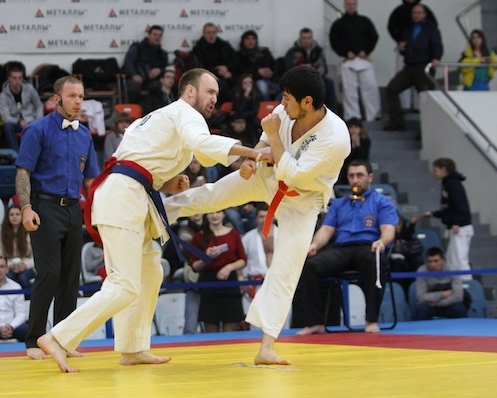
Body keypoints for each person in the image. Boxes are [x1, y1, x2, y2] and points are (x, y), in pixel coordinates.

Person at [36, 68, 270, 372]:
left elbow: (137, 161)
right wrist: (252, 152)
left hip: (130, 193)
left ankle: (132, 347)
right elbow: (203, 144)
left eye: (217, 93)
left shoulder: (157, 118)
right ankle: (58, 337)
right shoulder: (185, 114)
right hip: (123, 198)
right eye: (210, 92)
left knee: (150, 271)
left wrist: (167, 182)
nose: (215, 98)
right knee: (124, 284)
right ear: (190, 91)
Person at [163, 65, 350, 364]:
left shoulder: (336, 137)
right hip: (267, 177)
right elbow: (264, 143)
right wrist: (252, 158)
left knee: (286, 269)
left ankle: (266, 348)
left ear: (307, 102)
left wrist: (273, 136)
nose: (281, 103)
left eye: (287, 98)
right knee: (211, 195)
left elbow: (293, 174)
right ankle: (157, 212)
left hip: (301, 202)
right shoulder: (285, 111)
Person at [15, 75, 100, 360]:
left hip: (73, 208)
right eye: (72, 96)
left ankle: (63, 340)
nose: (78, 101)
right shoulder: (37, 129)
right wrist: (26, 208)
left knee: (70, 278)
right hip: (45, 206)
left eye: (81, 96)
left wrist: (99, 211)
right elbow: (23, 172)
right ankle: (33, 339)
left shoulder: (84, 135)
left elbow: (90, 181)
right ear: (57, 99)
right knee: (49, 273)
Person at [294, 159, 398, 335]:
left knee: (376, 261)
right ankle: (315, 322)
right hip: (342, 250)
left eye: (360, 175)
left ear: (370, 177)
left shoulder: (382, 202)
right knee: (310, 266)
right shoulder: (339, 204)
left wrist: (382, 241)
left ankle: (371, 320)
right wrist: (314, 245)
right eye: (351, 176)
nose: (355, 180)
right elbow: (326, 230)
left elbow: (388, 229)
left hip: (368, 247)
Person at [384, 3, 443, 131]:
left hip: (424, 67)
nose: (416, 15)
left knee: (426, 98)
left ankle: (426, 129)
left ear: (424, 14)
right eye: (414, 13)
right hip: (409, 66)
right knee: (391, 89)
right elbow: (406, 46)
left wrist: (436, 58)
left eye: (418, 13)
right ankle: (397, 122)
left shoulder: (431, 28)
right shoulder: (409, 28)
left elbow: (436, 44)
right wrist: (402, 48)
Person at [190, 210, 246, 332]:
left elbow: (243, 260)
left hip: (230, 283)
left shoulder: (233, 234)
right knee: (211, 334)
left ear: (223, 214)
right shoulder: (199, 237)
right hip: (209, 285)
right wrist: (207, 258)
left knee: (230, 332)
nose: (215, 216)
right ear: (206, 215)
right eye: (211, 212)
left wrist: (229, 267)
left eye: (218, 212)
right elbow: (194, 266)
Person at [329, 0, 380, 122]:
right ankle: (352, 117)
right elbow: (334, 41)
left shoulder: (365, 21)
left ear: (356, 5)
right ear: (344, 5)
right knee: (349, 91)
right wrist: (345, 53)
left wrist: (366, 51)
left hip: (364, 59)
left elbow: (374, 37)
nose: (351, 6)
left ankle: (373, 115)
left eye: (353, 4)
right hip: (348, 60)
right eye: (348, 4)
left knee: (370, 87)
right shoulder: (338, 24)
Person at [422, 158, 473, 280]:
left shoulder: (452, 185)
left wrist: (456, 222)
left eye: (435, 170)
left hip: (460, 228)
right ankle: (457, 285)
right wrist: (434, 214)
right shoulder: (447, 184)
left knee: (459, 259)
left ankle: (467, 284)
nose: (434, 173)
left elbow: (461, 206)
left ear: (443, 169)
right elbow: (449, 208)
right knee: (452, 260)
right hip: (454, 226)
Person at [284, 27, 338, 113]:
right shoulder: (293, 52)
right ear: (300, 38)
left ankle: (333, 112)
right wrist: (302, 69)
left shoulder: (318, 51)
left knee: (329, 82)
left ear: (312, 38)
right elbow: (288, 68)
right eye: (304, 38)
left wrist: (312, 71)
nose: (306, 41)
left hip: (317, 78)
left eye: (309, 38)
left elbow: (324, 68)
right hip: (299, 80)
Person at [413, 246, 468, 320]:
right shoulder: (421, 271)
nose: (433, 264)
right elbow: (421, 297)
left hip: (449, 303)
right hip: (430, 305)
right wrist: (443, 294)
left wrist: (438, 304)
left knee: (459, 309)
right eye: (430, 261)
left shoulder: (453, 270)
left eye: (436, 261)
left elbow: (458, 296)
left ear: (443, 260)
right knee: (422, 309)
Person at [0, 62, 44, 151]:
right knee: (7, 126)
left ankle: (36, 153)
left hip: (31, 121)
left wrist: (38, 120)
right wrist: (19, 122)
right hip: (15, 123)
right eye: (14, 78)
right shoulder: (3, 96)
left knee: (40, 126)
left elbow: (39, 105)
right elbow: (5, 117)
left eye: (19, 78)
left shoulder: (29, 89)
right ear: (9, 78)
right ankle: (16, 153)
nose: (17, 81)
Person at [192, 23, 239, 103]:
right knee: (222, 86)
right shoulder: (198, 49)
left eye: (213, 32)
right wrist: (217, 70)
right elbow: (199, 68)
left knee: (241, 83)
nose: (211, 35)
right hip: (210, 75)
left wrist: (227, 69)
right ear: (204, 34)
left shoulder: (224, 45)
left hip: (228, 73)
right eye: (208, 32)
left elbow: (236, 60)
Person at [0, 204, 36, 293]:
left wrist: (24, 265)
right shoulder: (0, 234)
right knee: (9, 277)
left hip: (27, 266)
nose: (14, 217)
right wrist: (9, 265)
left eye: (17, 214)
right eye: (11, 214)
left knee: (23, 278)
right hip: (9, 266)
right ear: (7, 217)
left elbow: (36, 257)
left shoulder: (30, 233)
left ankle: (28, 299)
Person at [123, 25, 169, 104]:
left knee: (161, 88)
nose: (157, 37)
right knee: (133, 88)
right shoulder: (137, 47)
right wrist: (134, 75)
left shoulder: (162, 53)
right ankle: (135, 110)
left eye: (160, 35)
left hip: (152, 81)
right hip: (135, 78)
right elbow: (128, 62)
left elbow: (165, 68)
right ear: (149, 35)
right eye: (155, 34)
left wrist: (159, 70)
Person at [237, 30, 278, 101]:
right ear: (243, 41)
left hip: (270, 79)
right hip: (254, 81)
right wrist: (257, 72)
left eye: (253, 38)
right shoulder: (239, 55)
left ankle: (275, 105)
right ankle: (267, 105)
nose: (250, 41)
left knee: (285, 89)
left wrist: (270, 71)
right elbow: (240, 70)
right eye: (247, 39)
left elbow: (274, 64)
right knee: (262, 86)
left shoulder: (264, 51)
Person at [241, 203, 275, 282]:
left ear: (273, 217)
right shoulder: (248, 237)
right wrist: (242, 279)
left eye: (268, 216)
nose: (264, 219)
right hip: (256, 280)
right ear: (256, 218)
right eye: (261, 217)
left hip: (278, 279)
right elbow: (240, 258)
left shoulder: (282, 235)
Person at [337, 117, 371, 185]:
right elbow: (344, 158)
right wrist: (352, 147)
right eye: (351, 127)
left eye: (356, 127)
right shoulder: (344, 140)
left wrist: (358, 146)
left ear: (360, 129)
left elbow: (364, 158)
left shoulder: (365, 141)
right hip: (346, 167)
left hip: (361, 165)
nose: (354, 130)